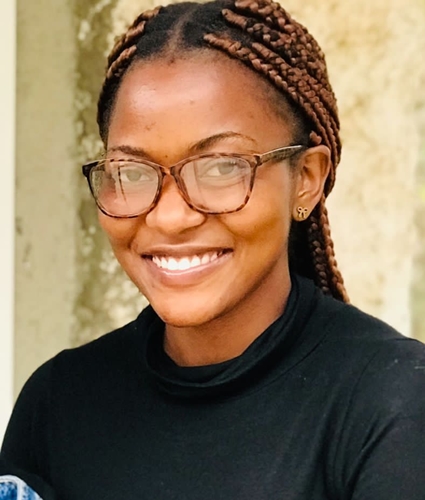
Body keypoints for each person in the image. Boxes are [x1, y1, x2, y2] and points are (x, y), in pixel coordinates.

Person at [2, 0, 425, 498]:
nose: (169, 217)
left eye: (223, 166)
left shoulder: (391, 403)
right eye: (131, 172)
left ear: (307, 179)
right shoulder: (59, 403)